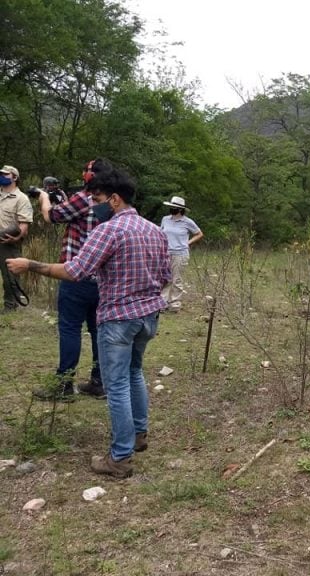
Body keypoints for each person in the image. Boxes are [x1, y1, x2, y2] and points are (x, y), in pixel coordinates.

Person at [7, 168, 171, 478]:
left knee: (117, 384)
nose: (92, 204)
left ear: (114, 199)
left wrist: (30, 265)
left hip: (119, 319)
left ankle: (120, 458)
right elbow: (165, 276)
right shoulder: (154, 230)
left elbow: (76, 271)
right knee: (134, 373)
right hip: (148, 317)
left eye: (96, 198)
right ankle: (138, 435)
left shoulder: (107, 230)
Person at [30, 158, 112, 400]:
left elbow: (52, 216)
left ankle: (64, 384)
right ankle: (99, 382)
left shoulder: (84, 197)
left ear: (90, 176)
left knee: (69, 329)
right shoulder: (112, 200)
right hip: (103, 279)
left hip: (75, 274)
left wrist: (44, 198)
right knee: (98, 331)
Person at [160, 196, 203, 312]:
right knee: (165, 278)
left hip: (180, 253)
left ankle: (174, 304)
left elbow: (199, 234)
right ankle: (162, 303)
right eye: (171, 206)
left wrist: (188, 243)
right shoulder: (165, 219)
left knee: (176, 279)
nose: (172, 209)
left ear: (180, 209)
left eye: (174, 207)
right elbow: (161, 233)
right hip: (166, 252)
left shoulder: (187, 222)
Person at [0, 165, 33, 312]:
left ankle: (10, 306)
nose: (2, 176)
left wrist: (15, 239)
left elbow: (24, 226)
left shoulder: (21, 199)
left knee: (10, 277)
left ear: (14, 177)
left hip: (8, 242)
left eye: (5, 174)